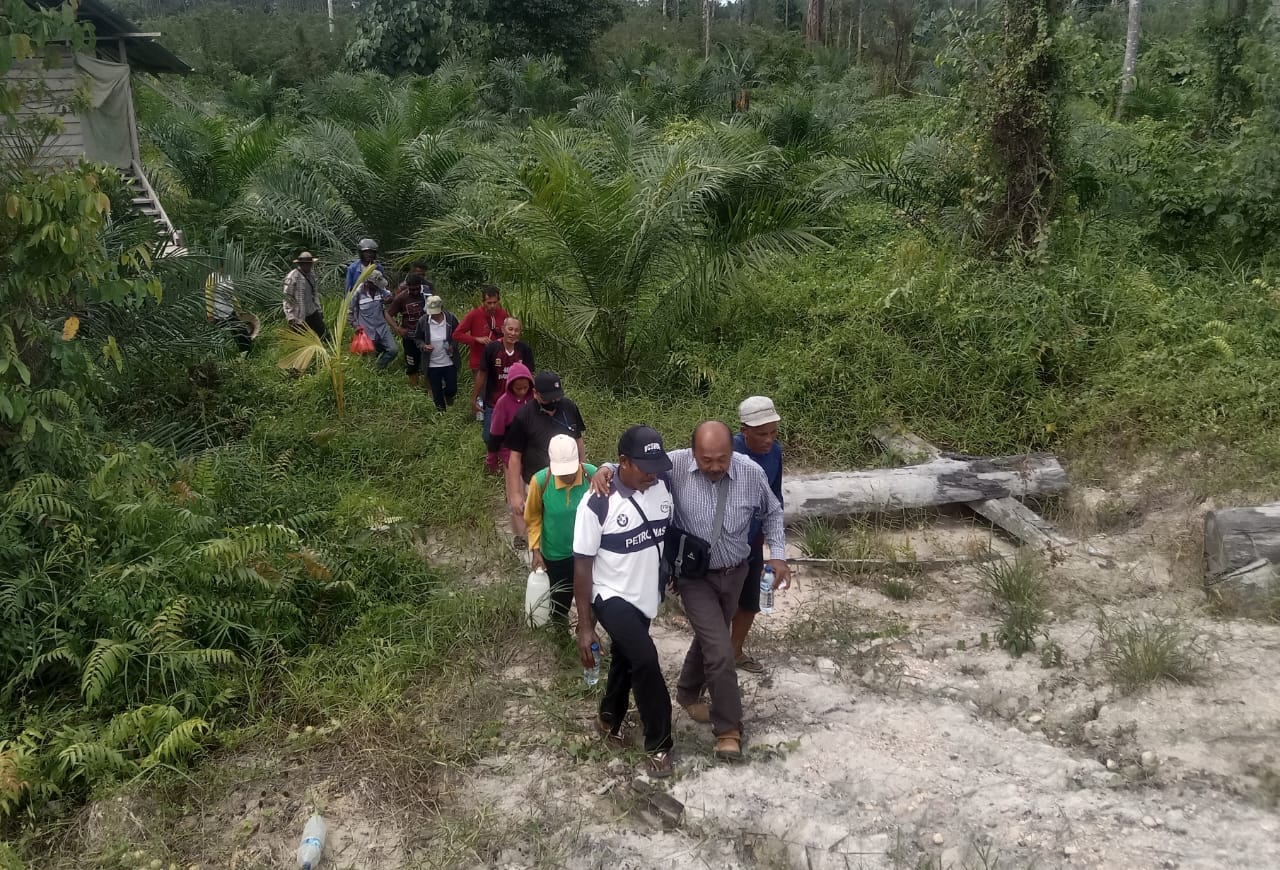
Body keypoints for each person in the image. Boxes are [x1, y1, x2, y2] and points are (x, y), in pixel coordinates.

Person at [590, 421, 790, 762]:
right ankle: (728, 729)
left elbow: (772, 512)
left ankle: (686, 690)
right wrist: (606, 469)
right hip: (693, 576)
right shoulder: (677, 464)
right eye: (707, 459)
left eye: (722, 459)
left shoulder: (751, 473)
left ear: (733, 450)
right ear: (692, 452)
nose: (714, 466)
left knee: (709, 638)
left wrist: (779, 555)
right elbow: (634, 462)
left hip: (736, 572)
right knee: (720, 647)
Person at [573, 425, 675, 777]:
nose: (652, 473)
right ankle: (660, 743)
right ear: (623, 463)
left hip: (646, 594)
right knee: (645, 659)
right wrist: (585, 627)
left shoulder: (663, 485)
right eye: (645, 467)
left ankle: (608, 719)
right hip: (609, 594)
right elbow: (583, 565)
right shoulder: (597, 502)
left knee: (625, 659)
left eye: (656, 465)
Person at [731, 396, 784, 675]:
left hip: (752, 539)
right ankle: (713, 659)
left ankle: (735, 651)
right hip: (725, 541)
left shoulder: (775, 453)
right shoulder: (727, 451)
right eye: (762, 434)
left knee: (751, 601)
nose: (769, 439)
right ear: (744, 430)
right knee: (719, 604)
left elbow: (775, 499)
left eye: (773, 432)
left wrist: (770, 540)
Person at [504, 370, 586, 548]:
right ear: (535, 394)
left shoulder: (569, 408)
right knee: (537, 524)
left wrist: (583, 470)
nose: (554, 403)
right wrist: (515, 493)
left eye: (557, 397)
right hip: (536, 481)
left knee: (564, 522)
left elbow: (579, 442)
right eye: (548, 399)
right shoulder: (523, 417)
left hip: (568, 479)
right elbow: (515, 458)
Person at [525, 433, 598, 625]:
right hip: (556, 555)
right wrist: (535, 550)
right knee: (559, 602)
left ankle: (586, 630)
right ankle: (560, 632)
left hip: (589, 553)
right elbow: (533, 517)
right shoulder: (541, 481)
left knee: (592, 600)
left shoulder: (592, 475)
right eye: (562, 472)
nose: (567, 475)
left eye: (570, 470)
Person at [477, 318, 534, 469]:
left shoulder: (525, 350)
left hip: (518, 403)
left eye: (516, 330)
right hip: (493, 402)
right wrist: (475, 397)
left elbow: (530, 376)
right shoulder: (492, 349)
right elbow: (482, 373)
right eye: (510, 329)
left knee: (518, 434)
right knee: (489, 436)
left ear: (520, 333)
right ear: (503, 329)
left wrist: (533, 397)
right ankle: (493, 458)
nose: (513, 333)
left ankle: (511, 461)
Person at [453, 286, 509, 421]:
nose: (492, 306)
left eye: (495, 302)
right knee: (482, 390)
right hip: (479, 360)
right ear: (483, 301)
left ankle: (498, 417)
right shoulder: (474, 315)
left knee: (499, 389)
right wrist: (476, 339)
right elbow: (456, 334)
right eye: (489, 303)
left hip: (499, 360)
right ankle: (480, 418)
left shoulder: (503, 314)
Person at [413, 295, 460, 411]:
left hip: (449, 361)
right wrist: (424, 346)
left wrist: (452, 345)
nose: (433, 315)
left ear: (442, 308)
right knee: (436, 390)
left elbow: (458, 334)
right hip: (432, 363)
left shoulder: (450, 319)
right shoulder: (423, 321)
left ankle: (448, 396)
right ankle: (441, 413)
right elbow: (417, 338)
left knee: (452, 388)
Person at [488, 362, 534, 481]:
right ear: (510, 386)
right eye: (518, 388)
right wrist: (492, 458)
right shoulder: (503, 403)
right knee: (515, 491)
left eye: (526, 387)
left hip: (532, 452)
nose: (523, 391)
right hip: (510, 453)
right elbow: (495, 433)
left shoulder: (534, 400)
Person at [387, 273, 432, 387]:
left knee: (429, 364)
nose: (415, 292)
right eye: (412, 289)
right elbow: (387, 314)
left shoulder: (427, 293)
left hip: (426, 336)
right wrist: (397, 328)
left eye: (417, 289)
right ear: (407, 287)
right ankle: (415, 388)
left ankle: (429, 388)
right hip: (410, 337)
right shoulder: (401, 298)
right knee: (412, 365)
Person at [348, 271, 397, 370]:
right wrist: (355, 325)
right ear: (369, 283)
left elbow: (390, 296)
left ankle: (379, 366)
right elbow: (349, 311)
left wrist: (389, 299)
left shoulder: (380, 289)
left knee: (393, 350)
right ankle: (375, 372)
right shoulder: (358, 292)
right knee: (369, 359)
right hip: (367, 331)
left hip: (382, 327)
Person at [206, 271, 253, 354]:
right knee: (220, 339)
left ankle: (247, 353)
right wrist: (210, 314)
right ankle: (221, 359)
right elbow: (209, 296)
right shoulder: (212, 277)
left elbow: (232, 295)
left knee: (241, 332)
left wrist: (238, 309)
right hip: (218, 313)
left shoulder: (228, 276)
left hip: (229, 310)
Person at [282, 251, 326, 340]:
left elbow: (315, 294)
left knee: (324, 335)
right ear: (300, 264)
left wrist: (319, 310)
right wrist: (290, 316)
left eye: (309, 264)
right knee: (300, 341)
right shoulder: (293, 276)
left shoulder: (312, 275)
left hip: (311, 311)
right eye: (305, 264)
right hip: (297, 315)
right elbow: (287, 297)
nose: (308, 266)